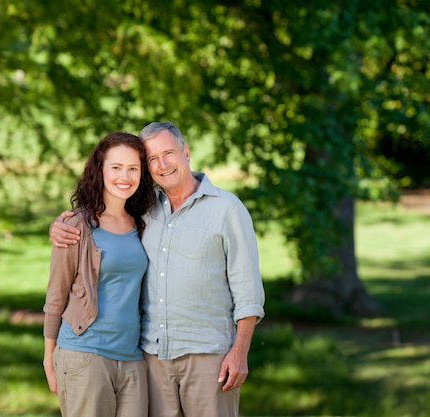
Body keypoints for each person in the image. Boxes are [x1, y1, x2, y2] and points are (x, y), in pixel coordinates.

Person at [49, 122, 265, 417]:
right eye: (151, 159)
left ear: (186, 152)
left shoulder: (227, 209)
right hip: (152, 357)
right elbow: (100, 229)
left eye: (168, 153)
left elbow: (247, 288)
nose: (162, 165)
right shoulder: (145, 210)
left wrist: (240, 352)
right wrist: (61, 225)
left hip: (208, 355)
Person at [42, 131, 156, 417]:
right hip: (84, 354)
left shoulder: (144, 222)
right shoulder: (76, 226)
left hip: (132, 359)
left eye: (133, 168)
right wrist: (49, 357)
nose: (125, 176)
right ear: (100, 169)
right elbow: (56, 295)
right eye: (116, 167)